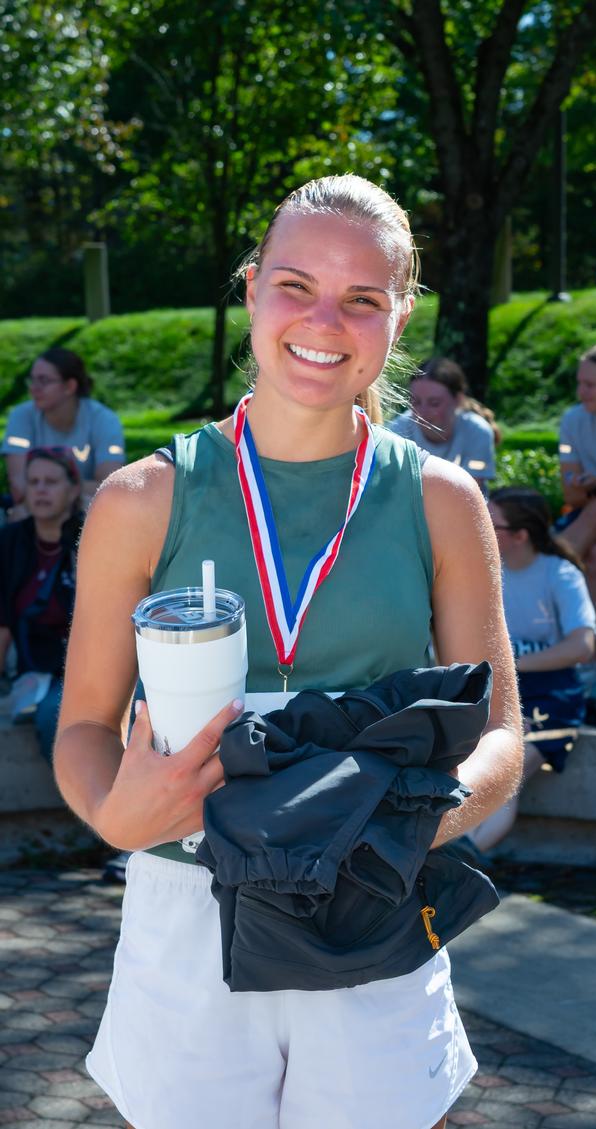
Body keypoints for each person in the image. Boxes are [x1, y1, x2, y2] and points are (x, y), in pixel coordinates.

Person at [54, 174, 522, 1129]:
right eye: (295, 285)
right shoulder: (142, 499)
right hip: (191, 906)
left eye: (363, 298)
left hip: (368, 907)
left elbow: (503, 737)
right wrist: (112, 811)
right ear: (252, 286)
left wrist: (399, 826)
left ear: (400, 317)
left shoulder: (441, 502)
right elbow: (84, 727)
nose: (323, 320)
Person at [467, 487, 596, 853]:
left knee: (505, 771)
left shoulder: (560, 574)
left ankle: (462, 862)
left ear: (520, 535)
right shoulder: (483, 569)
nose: (480, 528)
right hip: (495, 691)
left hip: (553, 698)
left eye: (491, 524)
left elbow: (583, 646)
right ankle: (454, 866)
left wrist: (514, 665)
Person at [0, 447, 83, 764]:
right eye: (33, 482)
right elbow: (3, 623)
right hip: (37, 671)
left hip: (89, 665)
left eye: (51, 481)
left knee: (58, 713)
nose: (41, 490)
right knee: (52, 711)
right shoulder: (10, 542)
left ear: (73, 489)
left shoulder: (90, 534)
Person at [1, 347, 125, 516]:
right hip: (35, 511)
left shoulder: (104, 420)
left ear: (69, 386)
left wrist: (52, 489)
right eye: (32, 380)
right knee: (19, 515)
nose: (34, 388)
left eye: (43, 381)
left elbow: (111, 486)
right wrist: (67, 487)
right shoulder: (21, 417)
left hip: (85, 509)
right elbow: (19, 488)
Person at [387, 356, 498, 492]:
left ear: (458, 400)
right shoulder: (399, 430)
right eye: (415, 402)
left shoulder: (477, 431)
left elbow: (473, 487)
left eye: (434, 403)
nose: (423, 412)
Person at [558, 344, 596, 617]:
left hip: (590, 510)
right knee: (595, 557)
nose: (581, 392)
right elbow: (570, 494)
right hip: (587, 511)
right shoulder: (573, 420)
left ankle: (558, 558)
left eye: (591, 384)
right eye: (579, 383)